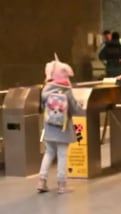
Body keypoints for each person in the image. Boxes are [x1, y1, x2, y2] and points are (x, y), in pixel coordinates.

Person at [37, 54, 82, 194]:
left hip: (49, 126)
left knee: (49, 152)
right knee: (62, 155)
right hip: (62, 127)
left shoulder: (45, 89)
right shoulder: (65, 90)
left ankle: (42, 180)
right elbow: (74, 109)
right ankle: (62, 184)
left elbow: (44, 107)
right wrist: (80, 108)